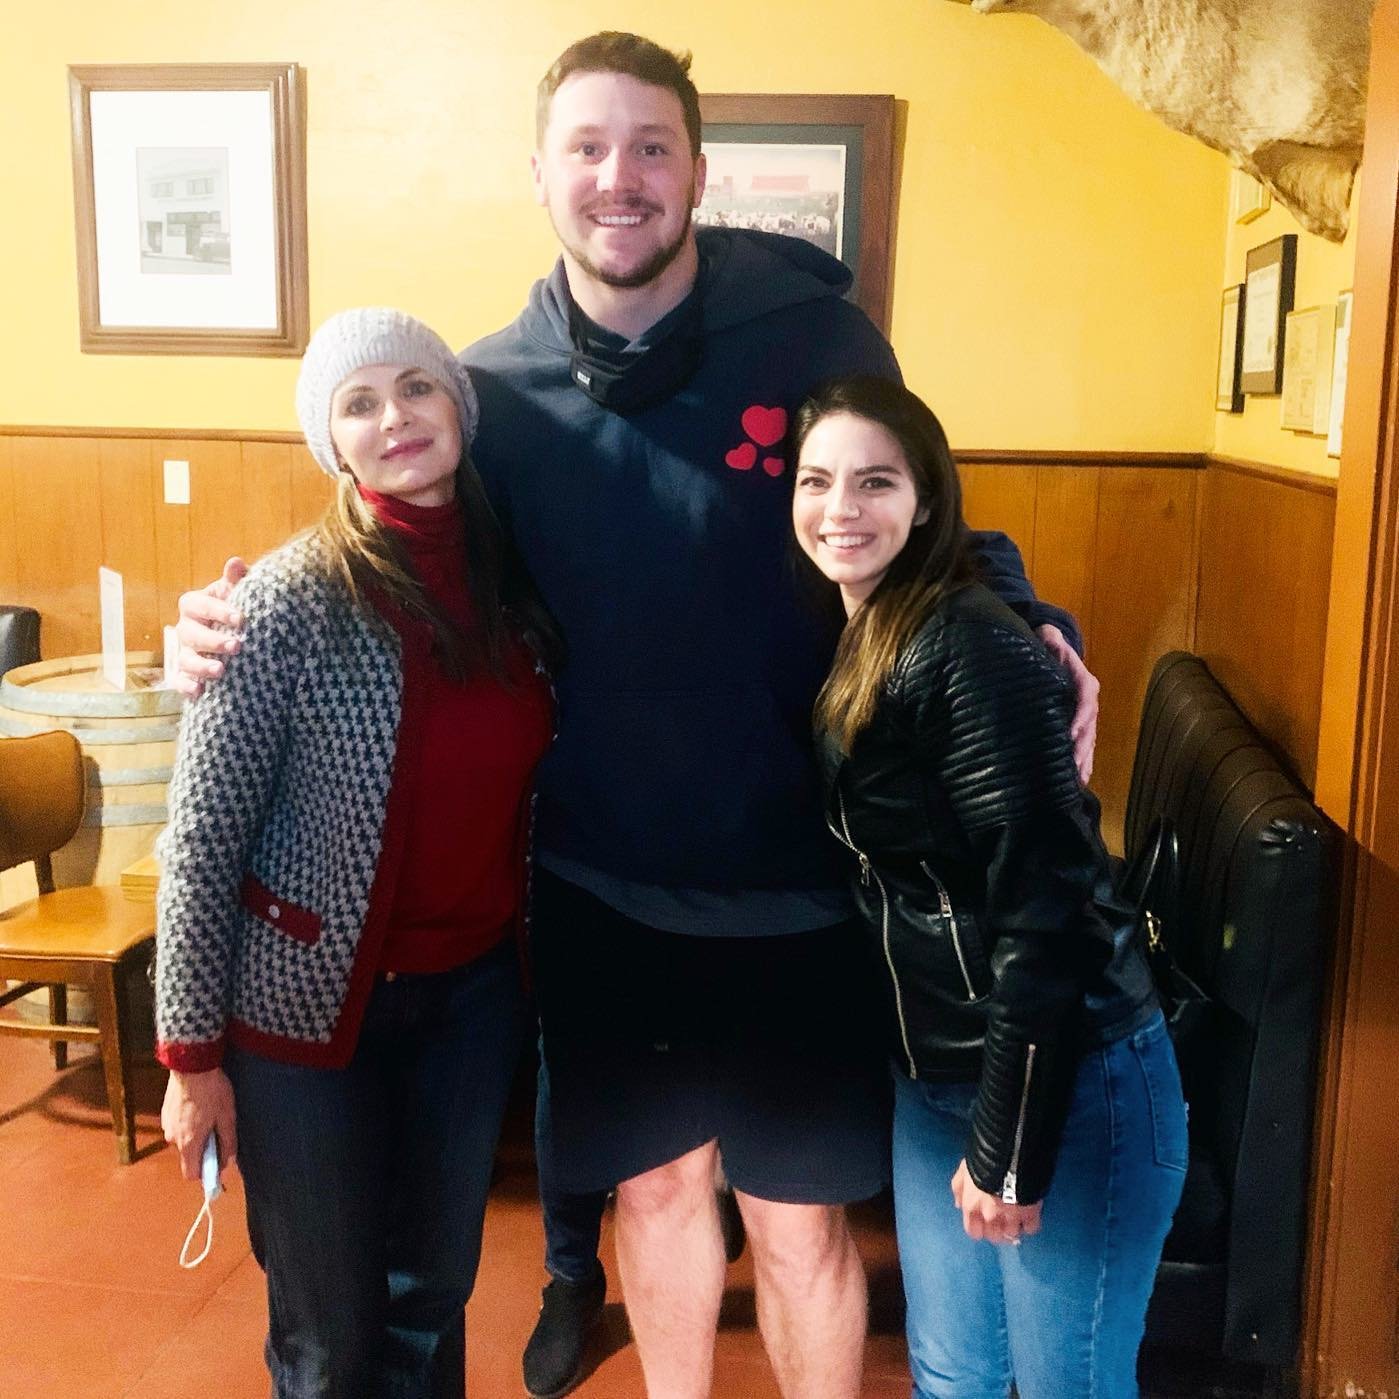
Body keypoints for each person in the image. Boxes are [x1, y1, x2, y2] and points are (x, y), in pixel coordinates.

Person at [175, 34, 1100, 1399]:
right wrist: (227, 611)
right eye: (588, 148)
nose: (620, 176)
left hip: (803, 881)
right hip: (601, 888)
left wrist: (1029, 619)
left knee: (797, 1227)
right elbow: (387, 541)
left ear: (697, 171)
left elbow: (916, 505)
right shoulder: (489, 394)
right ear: (538, 174)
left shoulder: (818, 337)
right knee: (656, 1198)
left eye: (651, 147)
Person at [157, 307, 559, 1399]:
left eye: (417, 387)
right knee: (329, 1331)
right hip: (302, 1020)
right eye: (359, 403)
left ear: (458, 408)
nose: (395, 418)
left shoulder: (516, 586)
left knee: (431, 1299)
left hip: (471, 1003)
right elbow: (201, 841)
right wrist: (191, 1059)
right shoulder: (283, 601)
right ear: (330, 440)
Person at [791, 375, 1185, 1399]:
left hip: (1070, 1072)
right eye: (816, 481)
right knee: (953, 1374)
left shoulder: (962, 645)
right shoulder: (862, 618)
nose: (839, 509)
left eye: (875, 482)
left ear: (927, 499)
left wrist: (1011, 1140)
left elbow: (1046, 911)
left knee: (1068, 1386)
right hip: (934, 1074)